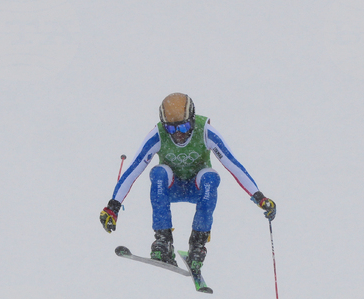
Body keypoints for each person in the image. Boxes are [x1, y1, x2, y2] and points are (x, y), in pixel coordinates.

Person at [99, 92, 276, 272]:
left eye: (183, 127)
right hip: (170, 187)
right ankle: (163, 241)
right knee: (158, 172)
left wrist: (259, 197)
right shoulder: (158, 135)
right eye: (171, 129)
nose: (178, 134)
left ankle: (198, 244)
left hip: (198, 189)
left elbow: (233, 165)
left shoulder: (205, 131)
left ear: (191, 120)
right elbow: (134, 169)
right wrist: (113, 206)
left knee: (210, 176)